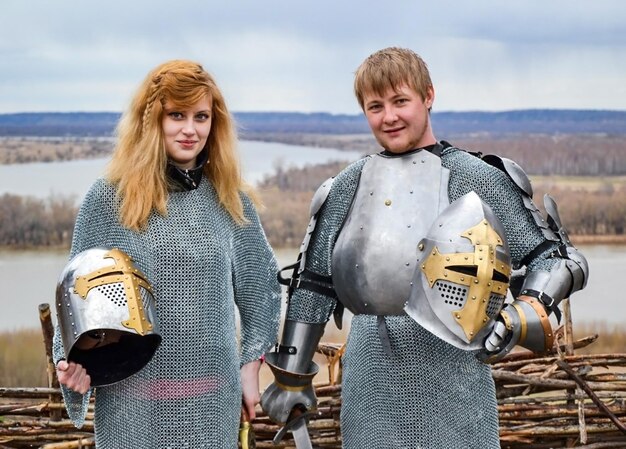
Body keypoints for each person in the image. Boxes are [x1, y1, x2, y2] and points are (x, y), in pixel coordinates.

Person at [261, 47, 589, 448]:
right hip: (371, 387)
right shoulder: (347, 186)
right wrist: (292, 376)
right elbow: (312, 284)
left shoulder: (475, 177)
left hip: (456, 385)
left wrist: (522, 314)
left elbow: (555, 258)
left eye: (401, 101)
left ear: (428, 96)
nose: (389, 117)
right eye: (375, 106)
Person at [53, 59, 282, 448]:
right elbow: (75, 295)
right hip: (134, 402)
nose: (190, 129)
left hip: (212, 399)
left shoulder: (230, 199)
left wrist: (250, 365)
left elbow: (262, 288)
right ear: (151, 120)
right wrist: (71, 361)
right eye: (176, 115)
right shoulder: (111, 198)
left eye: (201, 116)